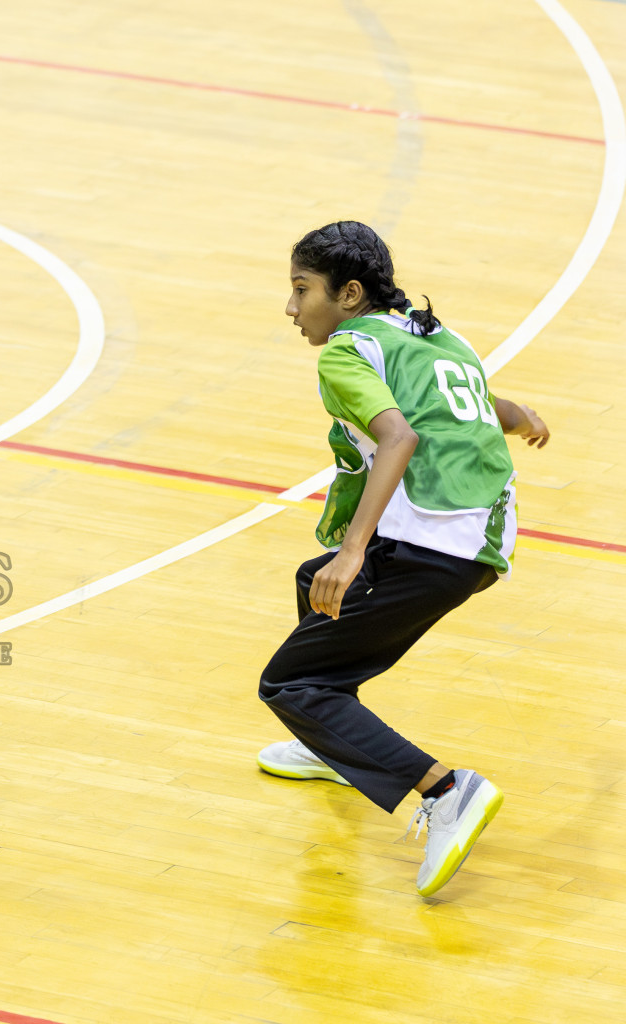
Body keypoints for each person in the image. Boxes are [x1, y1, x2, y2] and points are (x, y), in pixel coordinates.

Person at [256, 220, 550, 897]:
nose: (292, 309)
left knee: (292, 684)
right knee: (314, 584)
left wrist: (353, 551)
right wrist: (517, 413)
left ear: (349, 293)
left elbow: (399, 436)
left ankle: (446, 791)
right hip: (481, 539)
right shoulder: (437, 334)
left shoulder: (343, 352)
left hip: (432, 543)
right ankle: (334, 745)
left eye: (302, 290)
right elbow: (472, 403)